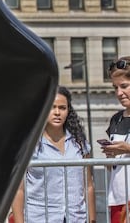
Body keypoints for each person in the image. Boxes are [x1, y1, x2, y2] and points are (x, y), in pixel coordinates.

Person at [11, 86, 95, 223]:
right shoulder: (29, 145)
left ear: (68, 111)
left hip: (76, 218)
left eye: (62, 108)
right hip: (39, 218)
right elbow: (18, 190)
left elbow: (89, 186)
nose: (57, 112)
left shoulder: (80, 144)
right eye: (52, 107)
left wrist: (92, 219)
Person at [101, 57, 130, 223]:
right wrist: (110, 157)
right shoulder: (115, 119)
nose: (119, 93)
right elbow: (112, 168)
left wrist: (128, 149)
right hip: (118, 198)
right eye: (115, 87)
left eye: (124, 86)